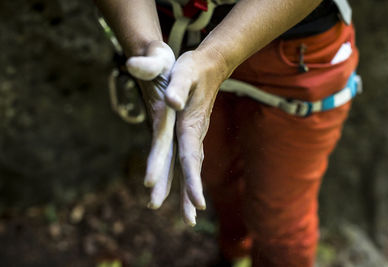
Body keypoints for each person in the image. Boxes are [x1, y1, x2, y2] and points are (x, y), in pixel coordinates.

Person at [94, 0, 359, 266]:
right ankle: (234, 252)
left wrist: (219, 58)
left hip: (297, 43)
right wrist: (143, 45)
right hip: (178, 40)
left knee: (279, 221)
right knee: (217, 176)